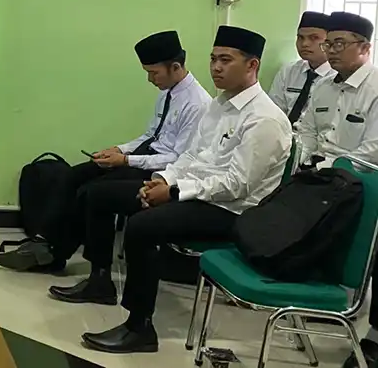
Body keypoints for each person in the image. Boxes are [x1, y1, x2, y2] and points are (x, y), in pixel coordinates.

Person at [50, 26, 290, 354]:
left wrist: (175, 192)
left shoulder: (265, 120)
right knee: (100, 195)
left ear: (252, 65)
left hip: (233, 212)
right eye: (213, 59)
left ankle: (139, 327)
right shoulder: (220, 106)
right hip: (197, 193)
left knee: (143, 226)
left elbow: (237, 184)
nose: (216, 67)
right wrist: (165, 179)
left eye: (226, 60)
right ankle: (100, 281)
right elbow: (192, 156)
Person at [0, 30, 211, 273]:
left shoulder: (198, 104)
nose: (150, 80)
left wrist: (126, 160)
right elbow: (151, 135)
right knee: (73, 175)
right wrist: (117, 150)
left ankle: (63, 258)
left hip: (160, 173)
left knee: (92, 192)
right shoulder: (167, 93)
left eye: (153, 73)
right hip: (143, 157)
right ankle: (43, 243)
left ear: (175, 67)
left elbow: (177, 159)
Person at [292, 12, 378, 368]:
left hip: (365, 181)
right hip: (323, 177)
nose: (331, 50)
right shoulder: (324, 86)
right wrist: (307, 160)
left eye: (339, 43)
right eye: (329, 43)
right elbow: (306, 129)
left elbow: (373, 150)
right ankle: (316, 296)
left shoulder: (375, 88)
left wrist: (329, 166)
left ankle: (373, 336)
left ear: (365, 48)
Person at [269, 11, 333, 125]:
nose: (304, 44)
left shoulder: (337, 77)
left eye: (314, 38)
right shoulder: (288, 71)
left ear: (329, 42)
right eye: (300, 38)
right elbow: (274, 112)